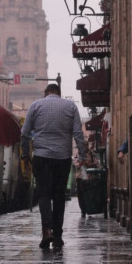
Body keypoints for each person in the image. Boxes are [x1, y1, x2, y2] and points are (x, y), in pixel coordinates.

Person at [21, 83, 87, 249]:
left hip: (41, 157)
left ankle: (46, 231)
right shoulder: (70, 106)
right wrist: (83, 155)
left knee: (44, 195)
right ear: (59, 93)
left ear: (46, 93)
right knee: (58, 196)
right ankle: (58, 235)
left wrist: (25, 154)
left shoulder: (36, 106)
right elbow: (78, 133)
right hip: (62, 157)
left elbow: (24, 133)